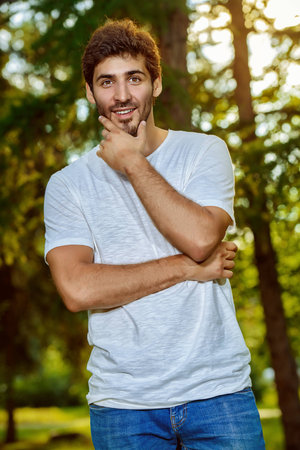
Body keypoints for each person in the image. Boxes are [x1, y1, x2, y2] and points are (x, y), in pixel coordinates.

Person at [44, 18, 265, 449]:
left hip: (218, 393)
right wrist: (187, 268)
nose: (122, 95)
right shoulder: (67, 184)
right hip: (123, 404)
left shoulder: (204, 151)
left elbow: (202, 238)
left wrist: (133, 163)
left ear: (156, 84)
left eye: (135, 78)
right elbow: (77, 289)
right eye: (106, 82)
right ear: (90, 92)